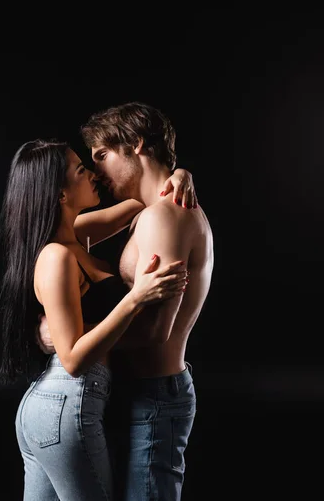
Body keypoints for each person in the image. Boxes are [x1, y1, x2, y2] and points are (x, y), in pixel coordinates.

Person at [0, 137, 196, 501]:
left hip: (54, 407)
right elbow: (72, 359)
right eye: (80, 170)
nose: (93, 174)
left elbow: (146, 196)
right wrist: (135, 299)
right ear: (60, 194)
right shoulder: (57, 256)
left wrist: (181, 175)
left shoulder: (79, 233)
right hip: (68, 402)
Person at [38, 102, 214, 500]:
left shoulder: (163, 217)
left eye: (102, 155)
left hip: (153, 397)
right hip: (138, 395)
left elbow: (155, 331)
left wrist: (74, 341)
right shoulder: (150, 211)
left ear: (136, 145)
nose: (97, 170)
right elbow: (61, 230)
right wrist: (180, 172)